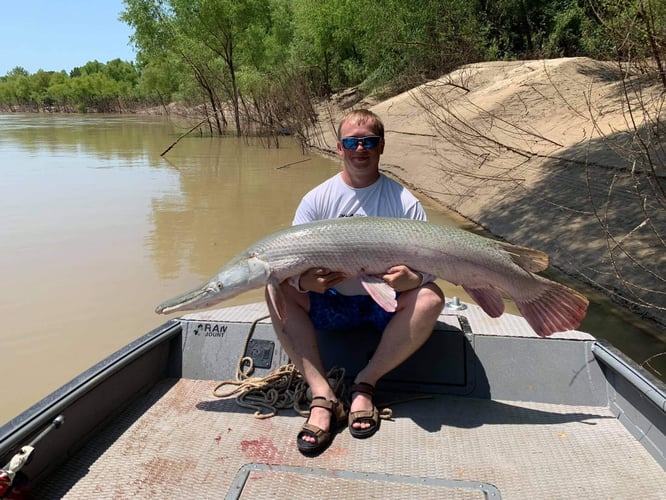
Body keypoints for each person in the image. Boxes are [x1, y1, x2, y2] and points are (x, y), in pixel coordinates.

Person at [266, 109, 445, 454]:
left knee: (432, 296)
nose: (360, 148)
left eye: (368, 142)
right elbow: (287, 263)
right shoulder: (316, 200)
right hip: (331, 303)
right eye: (352, 142)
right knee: (276, 290)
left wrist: (416, 277)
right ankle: (323, 397)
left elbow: (433, 262)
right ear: (339, 147)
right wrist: (305, 282)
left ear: (381, 147)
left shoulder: (404, 202)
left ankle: (365, 385)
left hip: (384, 306)